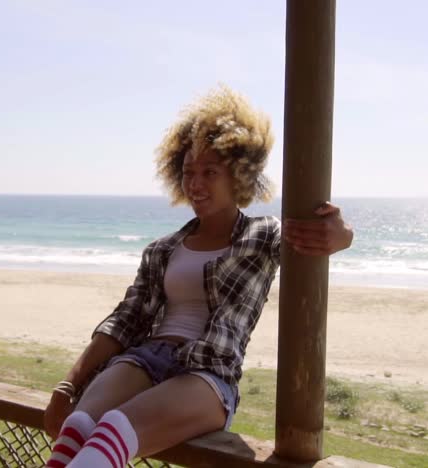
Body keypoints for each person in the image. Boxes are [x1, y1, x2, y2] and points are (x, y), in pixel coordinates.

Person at [44, 85, 353, 468]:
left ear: (239, 174)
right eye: (189, 172)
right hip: (144, 358)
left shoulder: (264, 235)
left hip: (208, 373)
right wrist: (68, 384)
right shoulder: (163, 248)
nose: (196, 183)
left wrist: (342, 234)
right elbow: (123, 322)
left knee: (112, 431)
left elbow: (317, 237)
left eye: (210, 171)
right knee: (77, 427)